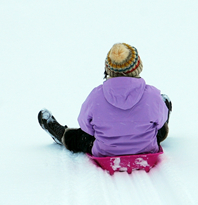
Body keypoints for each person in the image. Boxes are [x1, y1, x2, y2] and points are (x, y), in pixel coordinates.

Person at [39, 43, 171, 157]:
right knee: (162, 121)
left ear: (108, 69)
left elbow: (84, 123)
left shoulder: (96, 96)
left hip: (106, 151)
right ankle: (160, 112)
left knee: (80, 137)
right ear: (138, 67)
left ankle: (63, 135)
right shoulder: (152, 96)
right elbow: (160, 122)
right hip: (146, 148)